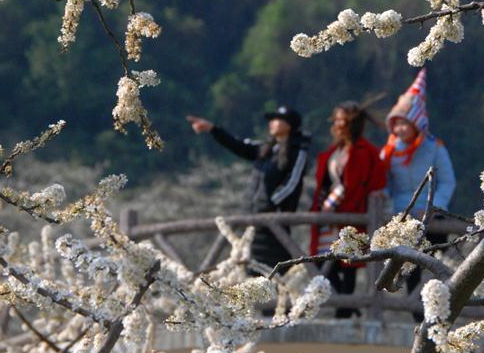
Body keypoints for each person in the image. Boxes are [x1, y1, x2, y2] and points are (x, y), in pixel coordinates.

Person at [186, 106, 310, 274]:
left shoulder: (298, 151)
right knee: (249, 268)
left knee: (276, 270)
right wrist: (213, 129)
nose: (272, 123)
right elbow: (239, 144)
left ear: (289, 125)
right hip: (251, 220)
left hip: (275, 221)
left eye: (277, 119)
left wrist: (270, 203)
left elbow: (292, 182)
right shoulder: (265, 148)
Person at [379, 68, 456, 309]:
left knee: (433, 266)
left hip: (432, 217)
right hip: (401, 216)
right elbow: (386, 183)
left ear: (417, 123)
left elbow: (447, 182)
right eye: (397, 124)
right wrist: (392, 207)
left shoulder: (435, 147)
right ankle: (415, 311)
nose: (400, 129)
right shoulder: (389, 151)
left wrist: (433, 208)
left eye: (405, 123)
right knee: (408, 269)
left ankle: (438, 308)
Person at [310, 101, 386, 318]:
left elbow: (352, 184)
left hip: (349, 211)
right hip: (330, 213)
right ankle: (347, 307)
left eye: (341, 120)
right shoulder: (336, 150)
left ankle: (345, 309)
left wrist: (329, 206)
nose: (337, 124)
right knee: (325, 260)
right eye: (335, 120)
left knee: (347, 263)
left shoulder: (363, 151)